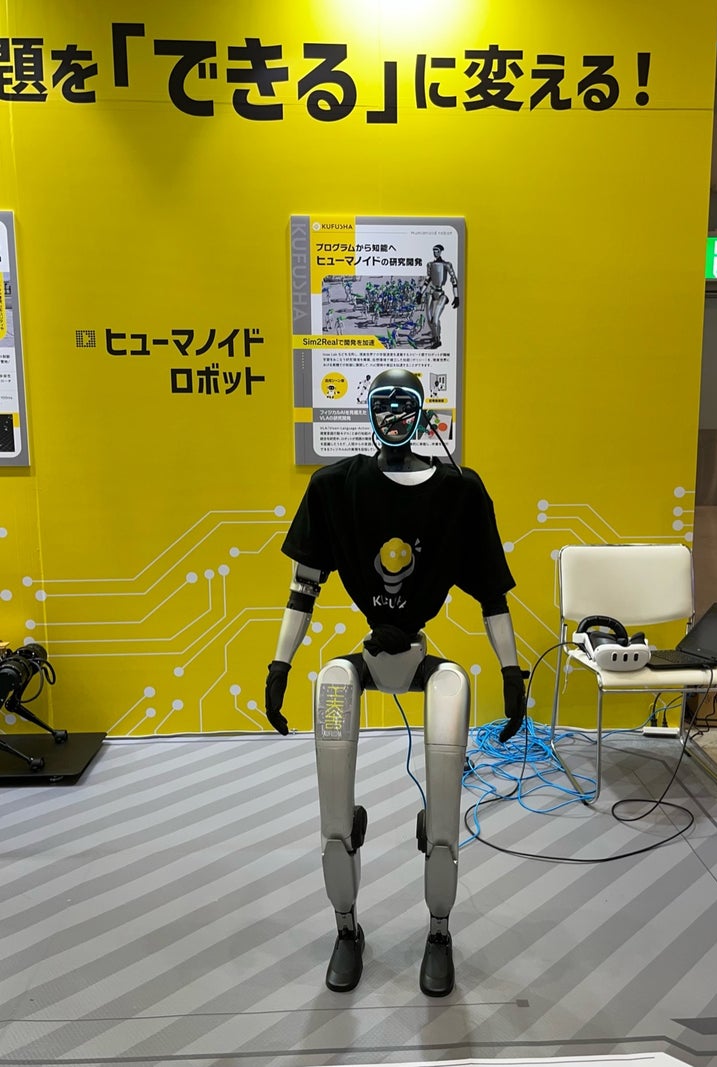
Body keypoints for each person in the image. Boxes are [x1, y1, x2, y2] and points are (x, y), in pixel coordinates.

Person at [264, 367, 526, 998]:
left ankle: (439, 931)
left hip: (424, 658)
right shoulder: (335, 487)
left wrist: (512, 673)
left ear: (424, 413)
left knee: (444, 810)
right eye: (381, 403)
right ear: (368, 412)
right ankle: (345, 926)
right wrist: (279, 666)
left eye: (405, 403)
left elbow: (492, 595)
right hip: (363, 656)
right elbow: (303, 589)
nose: (393, 415)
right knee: (334, 814)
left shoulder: (460, 490)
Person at [417, 245, 459, 349]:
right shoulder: (430, 265)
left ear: (440, 252)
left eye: (437, 251)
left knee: (435, 319)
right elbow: (427, 280)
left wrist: (456, 297)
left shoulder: (446, 265)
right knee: (429, 319)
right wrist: (420, 293)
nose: (435, 252)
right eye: (434, 250)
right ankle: (435, 336)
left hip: (441, 295)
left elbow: (454, 280)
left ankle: (437, 341)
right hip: (432, 293)